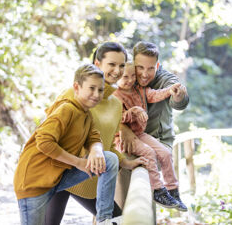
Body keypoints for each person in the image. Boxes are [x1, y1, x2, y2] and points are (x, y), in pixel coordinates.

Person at [45, 42, 147, 225]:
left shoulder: (115, 104)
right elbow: (48, 134)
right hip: (59, 172)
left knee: (118, 220)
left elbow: (107, 145)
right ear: (97, 63)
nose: (117, 70)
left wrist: (127, 162)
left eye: (122, 65)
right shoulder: (72, 94)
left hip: (89, 178)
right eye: (112, 64)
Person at [14, 64, 119, 225]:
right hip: (34, 182)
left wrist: (97, 149)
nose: (96, 94)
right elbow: (44, 142)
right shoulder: (66, 109)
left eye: (100, 90)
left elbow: (93, 136)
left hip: (58, 178)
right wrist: (79, 163)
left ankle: (104, 219)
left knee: (109, 159)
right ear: (76, 87)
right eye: (91, 88)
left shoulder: (86, 114)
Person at [119, 41, 189, 211]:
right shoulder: (126, 80)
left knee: (151, 164)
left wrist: (178, 94)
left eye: (151, 68)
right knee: (127, 187)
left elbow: (176, 97)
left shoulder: (164, 78)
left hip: (156, 139)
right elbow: (102, 108)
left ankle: (170, 191)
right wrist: (122, 128)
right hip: (130, 141)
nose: (144, 74)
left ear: (157, 65)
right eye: (140, 67)